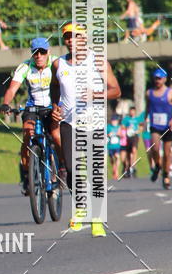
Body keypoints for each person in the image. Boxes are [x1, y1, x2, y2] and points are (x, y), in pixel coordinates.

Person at [50, 22, 121, 237]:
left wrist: (95, 95)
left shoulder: (98, 62)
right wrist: (55, 106)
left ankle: (97, 219)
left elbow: (116, 90)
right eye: (68, 38)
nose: (71, 41)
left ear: (85, 39)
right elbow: (55, 86)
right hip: (69, 122)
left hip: (94, 123)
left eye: (75, 37)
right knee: (72, 168)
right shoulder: (58, 64)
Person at [0, 37, 62, 196]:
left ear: (48, 52)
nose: (39, 56)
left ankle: (62, 168)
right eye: (35, 52)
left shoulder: (56, 63)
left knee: (56, 136)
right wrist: (6, 103)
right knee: (27, 134)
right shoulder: (25, 67)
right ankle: (27, 174)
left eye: (42, 52)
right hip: (32, 108)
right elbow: (12, 89)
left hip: (52, 107)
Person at [145, 67, 172, 190]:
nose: (157, 81)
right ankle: (158, 166)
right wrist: (144, 120)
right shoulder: (149, 93)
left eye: (159, 78)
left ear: (164, 79)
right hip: (155, 125)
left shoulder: (170, 92)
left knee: (167, 153)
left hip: (167, 126)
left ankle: (166, 176)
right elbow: (147, 107)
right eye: (155, 78)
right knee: (154, 148)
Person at [122, 105, 141, 177]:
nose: (132, 112)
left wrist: (138, 131)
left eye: (133, 111)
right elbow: (123, 126)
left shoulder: (137, 119)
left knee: (134, 150)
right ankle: (128, 166)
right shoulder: (126, 119)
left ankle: (133, 165)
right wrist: (127, 127)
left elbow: (141, 126)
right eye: (131, 111)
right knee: (128, 152)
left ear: (135, 112)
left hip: (135, 136)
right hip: (128, 136)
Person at [107, 112, 122, 181]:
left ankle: (116, 171)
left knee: (117, 157)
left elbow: (122, 135)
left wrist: (119, 134)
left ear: (117, 121)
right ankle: (114, 168)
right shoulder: (108, 127)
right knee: (112, 159)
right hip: (110, 146)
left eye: (115, 120)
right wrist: (108, 135)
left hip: (117, 146)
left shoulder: (119, 127)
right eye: (113, 120)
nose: (114, 122)